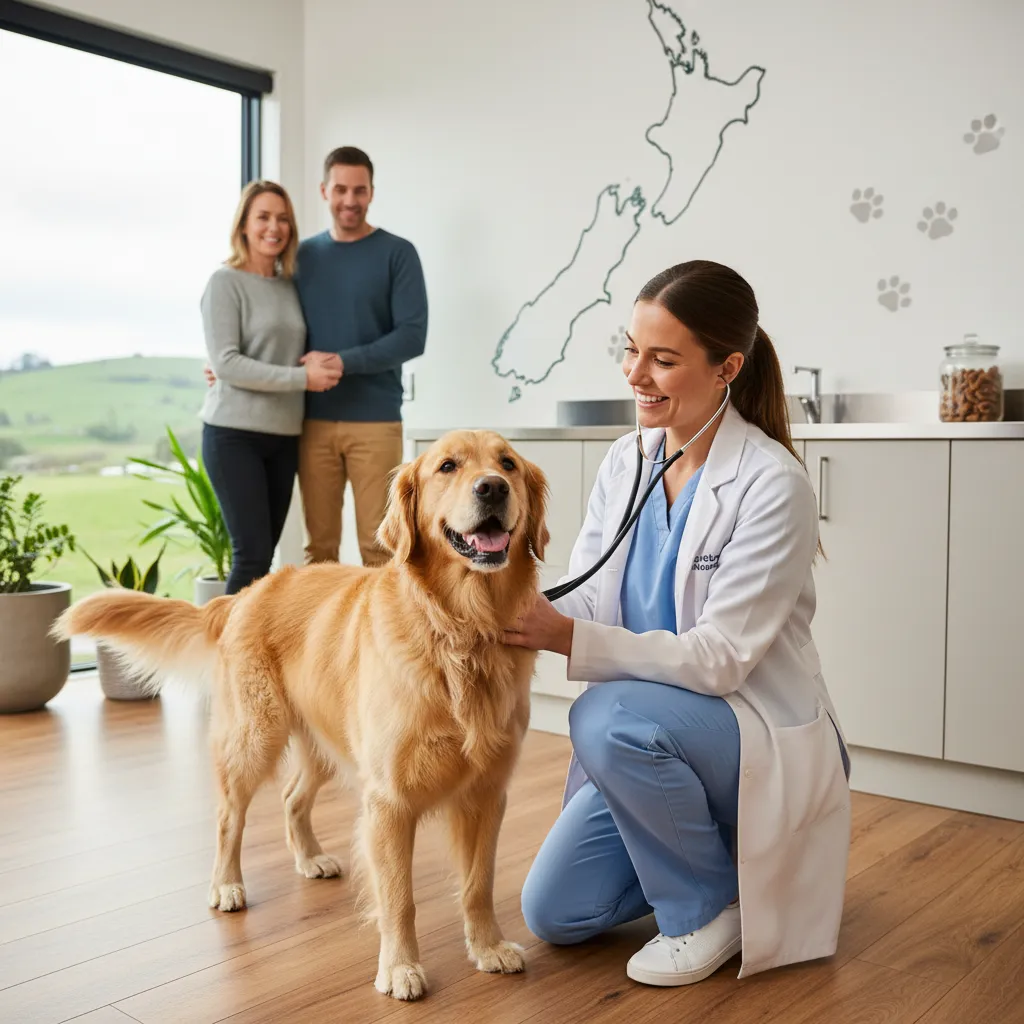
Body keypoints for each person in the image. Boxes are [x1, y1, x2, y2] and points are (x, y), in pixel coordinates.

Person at [504, 260, 851, 987]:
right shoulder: (627, 460)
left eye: (663, 360)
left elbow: (721, 660)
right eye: (629, 349)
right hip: (655, 737)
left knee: (603, 716)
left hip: (743, 732)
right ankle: (730, 862)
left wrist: (563, 637)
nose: (636, 374)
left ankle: (706, 903)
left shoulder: (770, 482)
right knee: (555, 914)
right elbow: (593, 602)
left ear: (726, 367)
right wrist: (504, 609)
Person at [199, 180, 342, 596]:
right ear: (243, 224)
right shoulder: (224, 282)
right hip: (233, 435)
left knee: (267, 560)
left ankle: (252, 653)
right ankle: (223, 658)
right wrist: (302, 379)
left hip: (284, 437)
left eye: (282, 219)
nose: (273, 227)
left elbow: (269, 350)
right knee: (252, 555)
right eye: (262, 216)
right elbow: (225, 361)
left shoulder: (290, 286)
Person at [294, 146, 429, 566]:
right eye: (340, 190)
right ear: (323, 191)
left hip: (376, 422)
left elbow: (412, 336)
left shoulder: (397, 253)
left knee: (381, 547)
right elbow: (277, 325)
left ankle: (382, 634)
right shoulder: (303, 257)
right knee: (319, 550)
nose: (349, 200)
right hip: (311, 421)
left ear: (371, 193)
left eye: (359, 190)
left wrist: (343, 361)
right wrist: (227, 368)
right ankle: (324, 635)